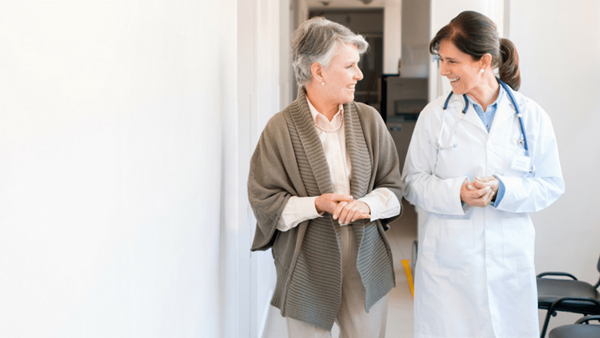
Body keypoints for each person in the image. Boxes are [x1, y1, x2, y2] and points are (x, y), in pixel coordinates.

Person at [402, 11, 565, 338]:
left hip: (508, 261)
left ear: (483, 61)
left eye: (452, 61)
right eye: (441, 60)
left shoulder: (530, 116)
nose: (443, 70)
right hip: (449, 264)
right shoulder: (435, 116)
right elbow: (412, 183)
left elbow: (550, 184)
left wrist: (503, 189)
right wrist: (456, 193)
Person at [248, 17, 403, 338]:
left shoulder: (369, 120)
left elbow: (393, 188)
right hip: (306, 261)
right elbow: (265, 202)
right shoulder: (279, 129)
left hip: (365, 257)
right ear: (318, 71)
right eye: (349, 66)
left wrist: (367, 206)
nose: (359, 75)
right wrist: (316, 204)